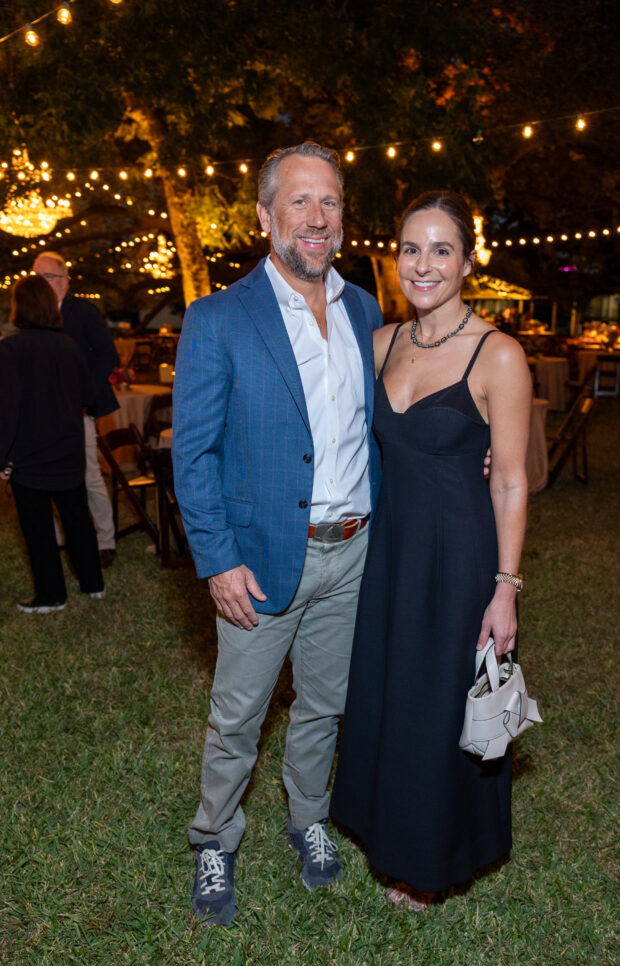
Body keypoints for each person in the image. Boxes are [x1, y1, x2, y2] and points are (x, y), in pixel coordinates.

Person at [172, 141, 383, 926]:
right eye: (298, 201)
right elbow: (190, 453)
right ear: (265, 216)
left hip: (353, 549)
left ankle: (309, 822)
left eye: (328, 201)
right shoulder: (219, 316)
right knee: (238, 715)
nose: (316, 217)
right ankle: (214, 841)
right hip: (259, 559)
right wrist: (217, 558)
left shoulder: (365, 309)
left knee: (325, 706)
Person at [330, 190, 531, 909]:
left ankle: (432, 859)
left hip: (459, 560)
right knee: (389, 696)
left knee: (439, 709)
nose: (422, 264)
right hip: (389, 555)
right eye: (410, 248)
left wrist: (504, 585)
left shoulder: (497, 355)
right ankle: (381, 829)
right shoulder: (379, 342)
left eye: (440, 248)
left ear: (467, 262)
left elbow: (509, 479)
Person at [0, 276, 105, 611]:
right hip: (68, 451)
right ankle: (93, 585)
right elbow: (89, 395)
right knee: (78, 521)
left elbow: (7, 409)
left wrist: (2, 457)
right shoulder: (69, 345)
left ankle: (51, 596)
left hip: (30, 458)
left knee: (38, 529)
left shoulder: (10, 349)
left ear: (20, 306)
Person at [32, 252, 119, 568]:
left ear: (64, 278)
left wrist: (86, 396)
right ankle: (58, 538)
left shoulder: (82, 311)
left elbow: (107, 356)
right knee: (46, 475)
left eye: (46, 277)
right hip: (43, 412)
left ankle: (105, 540)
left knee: (88, 474)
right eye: (36, 277)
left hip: (77, 409)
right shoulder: (36, 314)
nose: (40, 283)